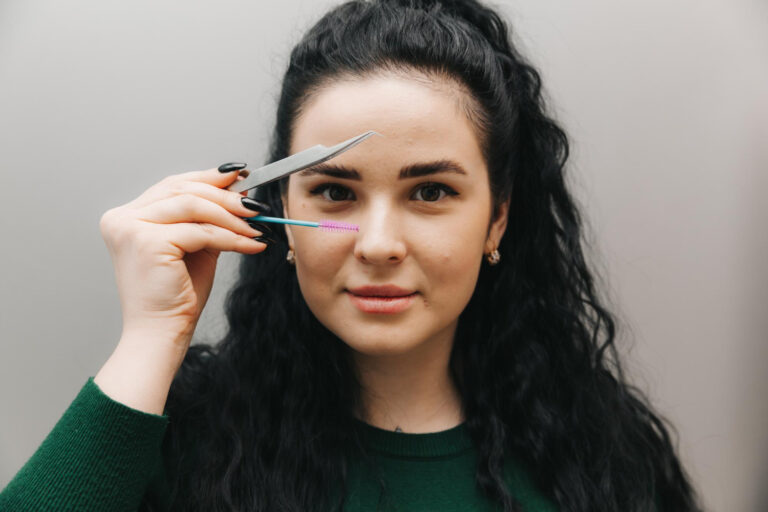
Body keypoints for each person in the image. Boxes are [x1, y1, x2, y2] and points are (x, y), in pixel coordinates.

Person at [0, 0, 703, 511]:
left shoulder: (606, 459)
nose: (377, 246)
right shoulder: (179, 441)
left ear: (498, 222)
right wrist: (150, 338)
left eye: (430, 191)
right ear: (282, 215)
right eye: (335, 191)